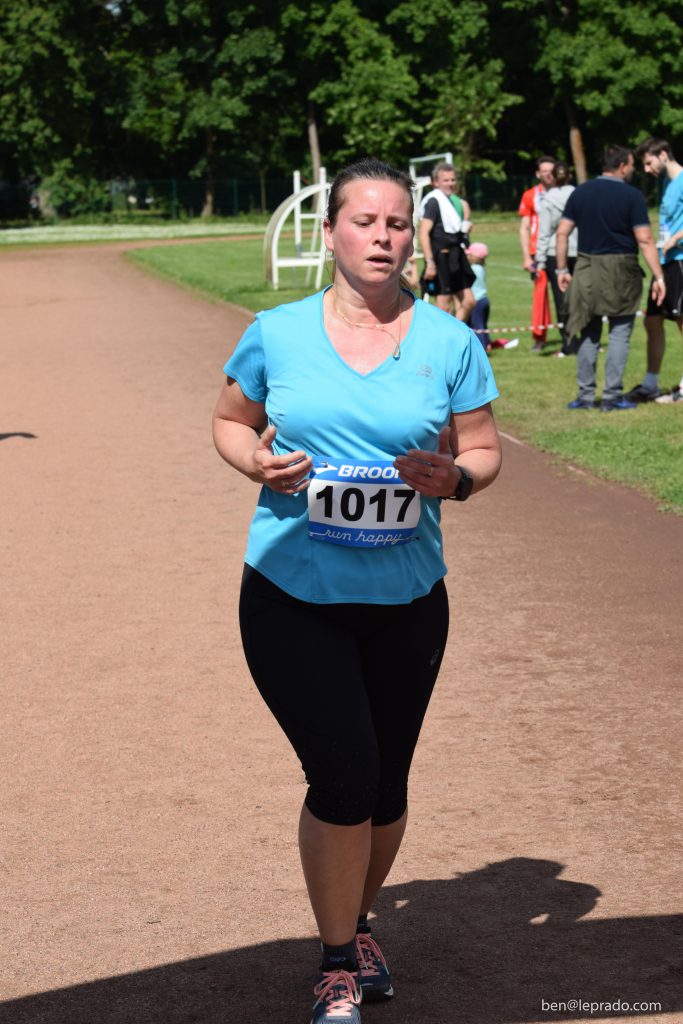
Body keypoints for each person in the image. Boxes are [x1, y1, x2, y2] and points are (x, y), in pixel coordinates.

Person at [212, 157, 502, 1024]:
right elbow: (229, 420)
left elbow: (483, 448)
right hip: (292, 594)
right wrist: (256, 461)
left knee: (386, 785)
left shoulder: (447, 341)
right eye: (364, 221)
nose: (382, 237)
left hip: (408, 601)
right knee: (343, 777)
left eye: (396, 224)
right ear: (330, 231)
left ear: (413, 236)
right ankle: (338, 960)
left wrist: (458, 478)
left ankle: (358, 921)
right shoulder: (276, 332)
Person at [556, 145, 666, 411]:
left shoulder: (580, 192)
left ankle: (585, 396)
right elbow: (644, 238)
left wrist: (561, 269)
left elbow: (562, 232)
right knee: (619, 333)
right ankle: (612, 396)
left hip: (586, 266)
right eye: (631, 165)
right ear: (622, 166)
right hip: (622, 267)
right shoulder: (632, 195)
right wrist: (659, 276)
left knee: (588, 330)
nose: (633, 169)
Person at [624, 137, 683, 404]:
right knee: (652, 320)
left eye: (649, 163)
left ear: (664, 154)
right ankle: (650, 384)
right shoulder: (667, 183)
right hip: (665, 261)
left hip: (679, 259)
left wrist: (676, 239)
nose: (647, 170)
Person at [418, 162, 476, 320]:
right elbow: (424, 232)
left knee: (469, 301)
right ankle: (441, 335)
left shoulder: (452, 201)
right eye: (446, 180)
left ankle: (455, 333)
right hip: (441, 259)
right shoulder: (433, 201)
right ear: (435, 182)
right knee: (443, 306)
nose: (450, 183)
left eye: (453, 179)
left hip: (456, 257)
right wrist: (430, 262)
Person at [535, 161, 578, 355]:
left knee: (562, 300)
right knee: (580, 297)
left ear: (552, 176)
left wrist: (540, 259)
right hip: (578, 250)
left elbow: (544, 231)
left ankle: (569, 343)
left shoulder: (548, 199)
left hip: (555, 252)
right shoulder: (578, 194)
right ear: (569, 176)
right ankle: (586, 339)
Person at [518, 155, 556, 350]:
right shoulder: (530, 195)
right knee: (540, 294)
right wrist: (526, 257)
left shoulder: (563, 192)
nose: (548, 174)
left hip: (560, 249)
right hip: (537, 251)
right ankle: (539, 337)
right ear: (538, 173)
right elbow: (524, 227)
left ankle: (571, 334)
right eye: (544, 171)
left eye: (551, 171)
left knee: (566, 293)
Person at [465, 241, 491, 351]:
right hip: (483, 300)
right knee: (482, 325)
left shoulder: (473, 269)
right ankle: (487, 343)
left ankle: (481, 348)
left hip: (477, 301)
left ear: (475, 257)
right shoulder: (481, 268)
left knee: (477, 326)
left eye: (469, 255)